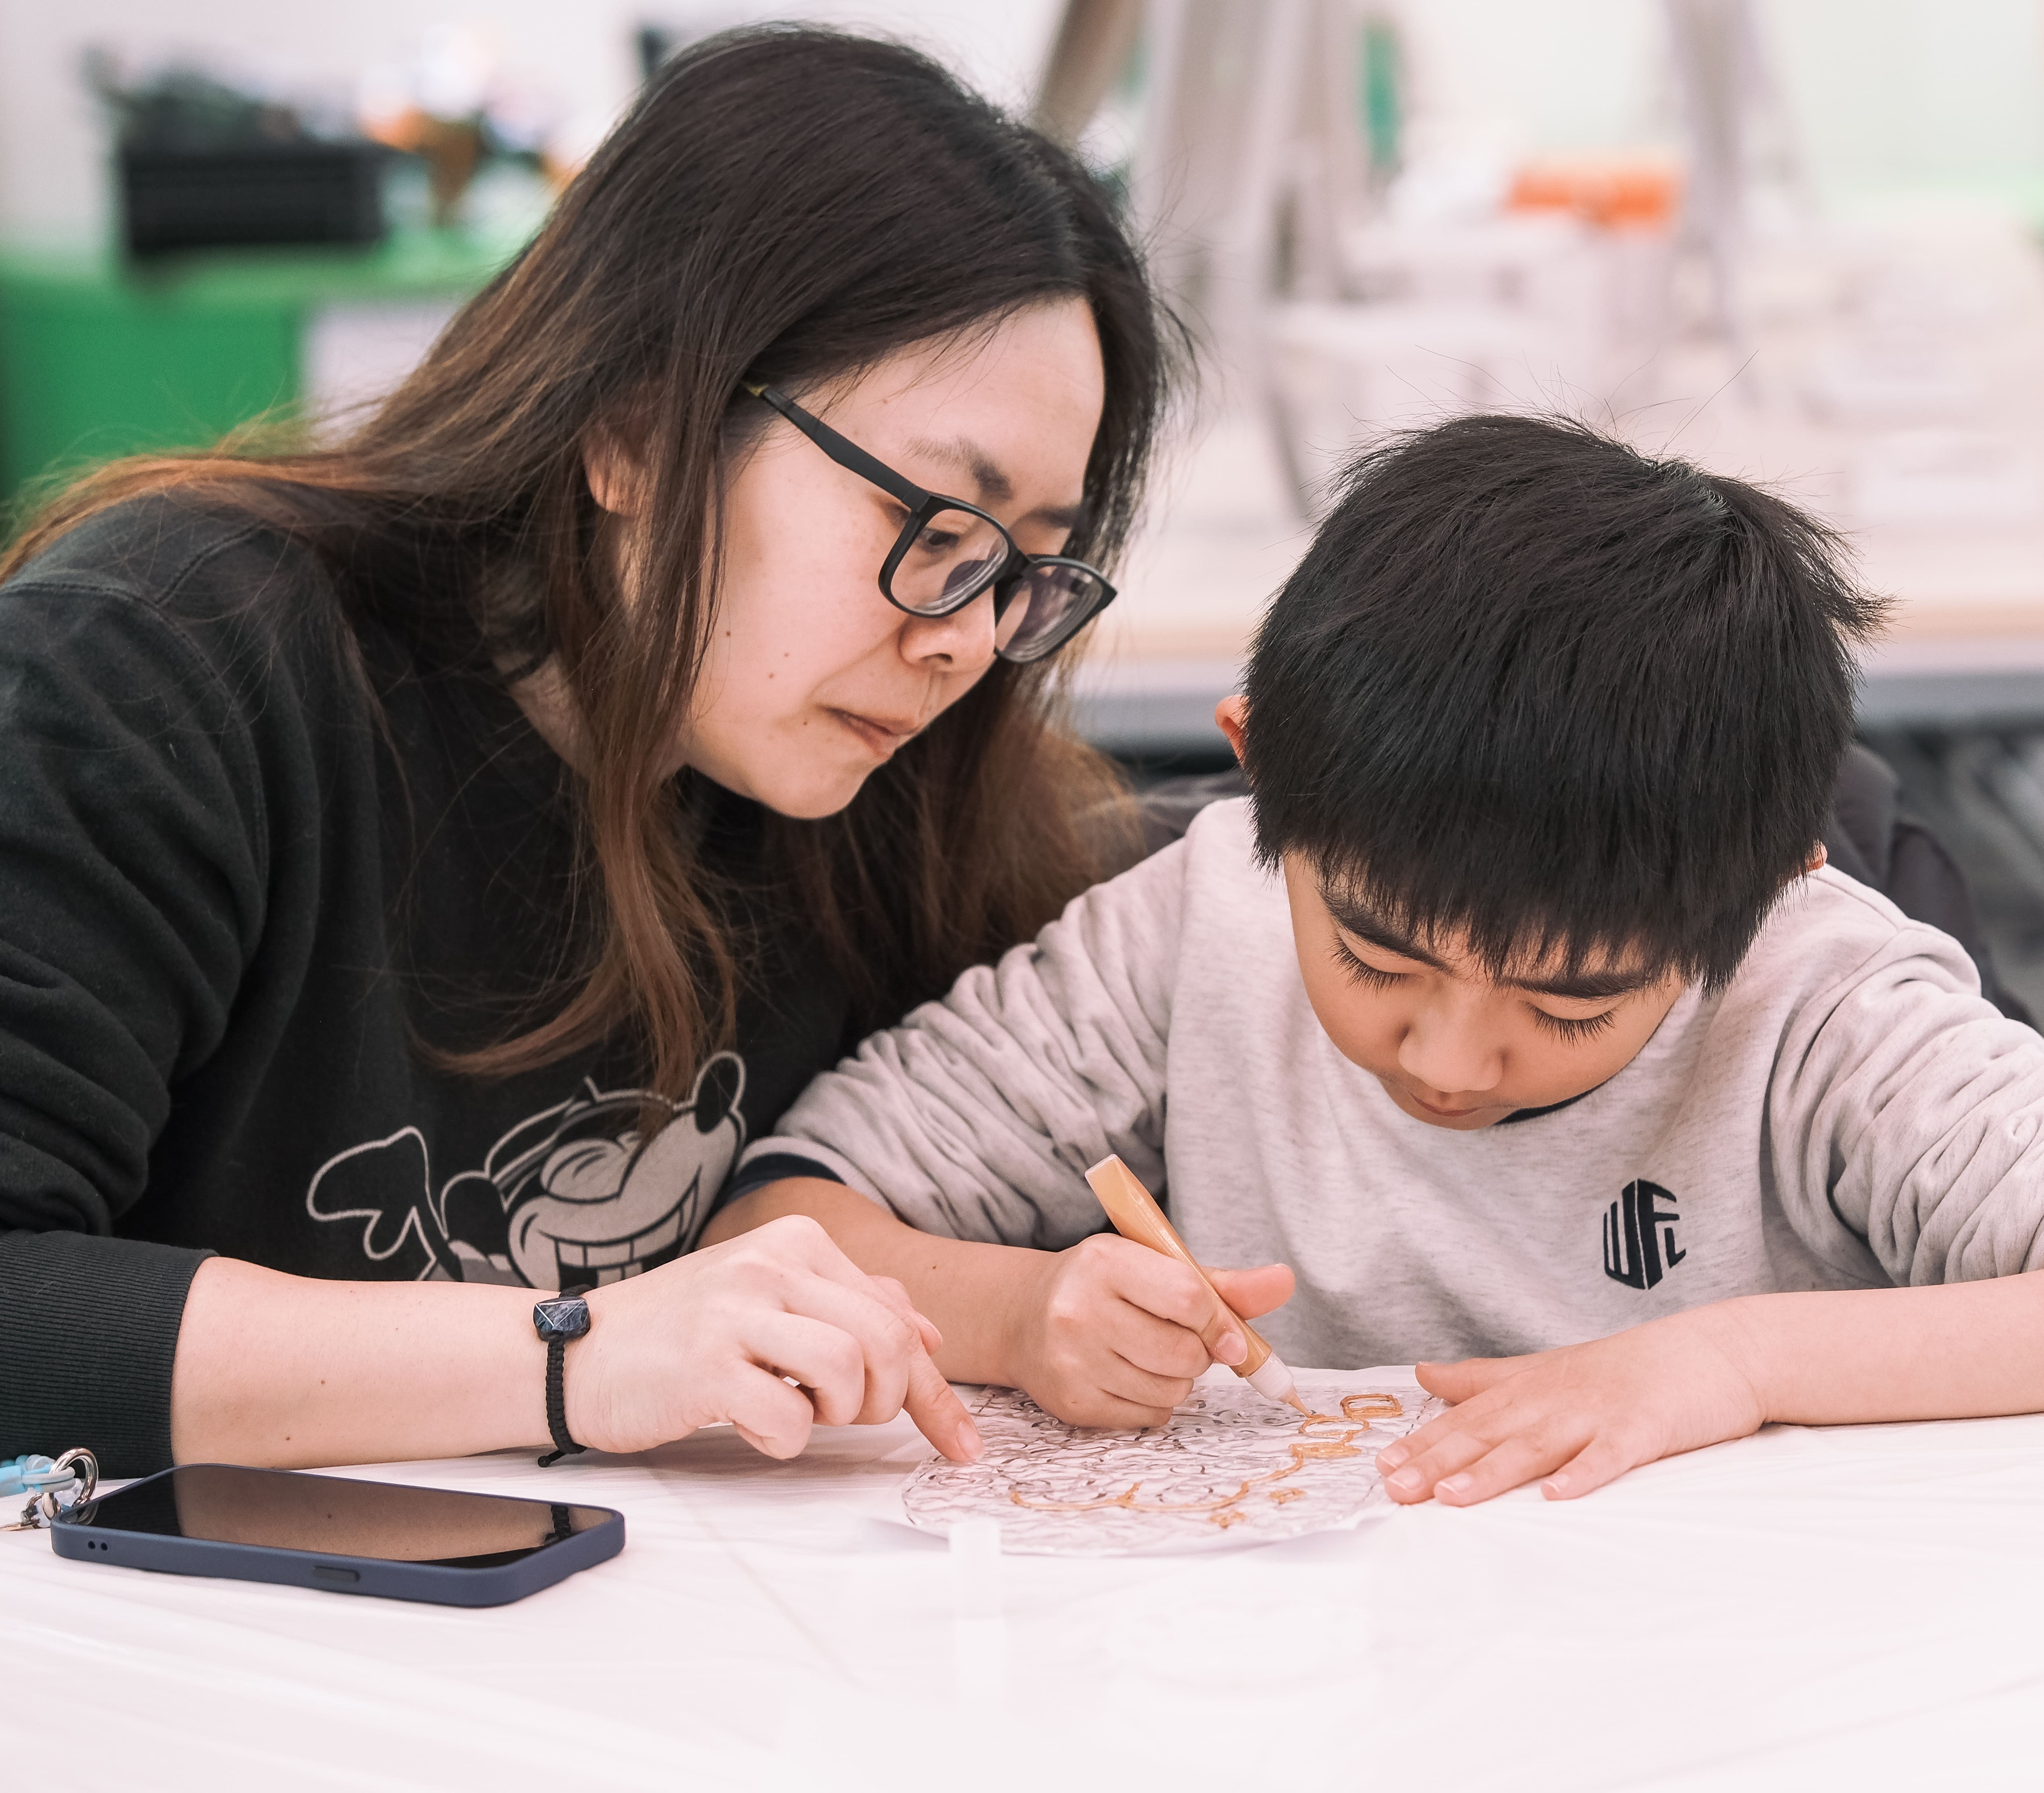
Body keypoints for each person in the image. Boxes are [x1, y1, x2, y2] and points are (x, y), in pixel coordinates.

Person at [712, 415, 2044, 1506]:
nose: (1448, 1057)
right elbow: (779, 1219)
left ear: (1766, 888)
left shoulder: (1817, 1001)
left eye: (1573, 1002)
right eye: (1375, 957)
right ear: (1263, 774)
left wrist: (1729, 1359)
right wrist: (1020, 1312)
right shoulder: (1199, 916)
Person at [0, 27, 1177, 1476]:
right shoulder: (168, 666)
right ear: (634, 433)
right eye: (932, 526)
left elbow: (1206, 919)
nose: (968, 641)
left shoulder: (902, 794)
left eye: (1023, 570)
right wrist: (582, 1355)